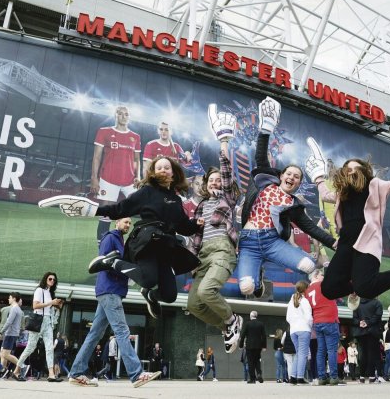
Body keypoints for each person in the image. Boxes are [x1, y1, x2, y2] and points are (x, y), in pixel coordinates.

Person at [40, 157, 201, 319]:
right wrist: (92, 210)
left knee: (170, 295)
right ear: (153, 172)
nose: (163, 170)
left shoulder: (177, 200)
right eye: (159, 168)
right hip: (148, 242)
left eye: (167, 167)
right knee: (148, 280)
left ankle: (151, 296)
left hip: (166, 248)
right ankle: (112, 261)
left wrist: (197, 223)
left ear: (174, 172)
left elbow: (183, 227)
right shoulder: (146, 192)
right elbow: (119, 209)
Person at [305, 138, 390, 309]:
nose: (350, 171)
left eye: (355, 168)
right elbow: (325, 195)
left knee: (367, 289)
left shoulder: (375, 185)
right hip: (346, 243)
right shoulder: (343, 193)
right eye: (347, 169)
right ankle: (353, 288)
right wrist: (318, 177)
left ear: (364, 171)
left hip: (367, 242)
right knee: (329, 289)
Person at [237, 97, 336, 298]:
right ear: (281, 176)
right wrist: (266, 127)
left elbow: (310, 227)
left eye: (296, 177)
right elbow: (261, 155)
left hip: (272, 242)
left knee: (308, 265)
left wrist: (332, 242)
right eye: (289, 174)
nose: (291, 177)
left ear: (298, 184)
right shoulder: (264, 183)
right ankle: (257, 277)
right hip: (248, 242)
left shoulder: (293, 204)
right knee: (246, 288)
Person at [66, 217, 161, 388]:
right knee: (122, 331)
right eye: (125, 222)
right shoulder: (110, 238)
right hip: (110, 291)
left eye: (130, 223)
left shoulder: (120, 241)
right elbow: (102, 263)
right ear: (117, 222)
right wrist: (124, 272)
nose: (128, 225)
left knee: (94, 334)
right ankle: (137, 374)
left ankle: (75, 373)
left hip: (109, 291)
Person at [187, 107, 243, 353]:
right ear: (205, 184)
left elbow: (228, 174)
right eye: (212, 180)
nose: (216, 182)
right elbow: (194, 238)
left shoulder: (228, 199)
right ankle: (227, 326)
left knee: (207, 291)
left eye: (218, 180)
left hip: (221, 251)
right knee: (195, 305)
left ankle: (233, 320)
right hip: (202, 258)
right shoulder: (200, 207)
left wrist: (223, 144)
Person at [91, 106, 141, 242]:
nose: (124, 116)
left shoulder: (135, 137)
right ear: (116, 115)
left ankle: (134, 244)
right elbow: (96, 157)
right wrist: (94, 178)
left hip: (130, 181)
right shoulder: (104, 132)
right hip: (108, 179)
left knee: (141, 208)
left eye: (126, 114)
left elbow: (137, 160)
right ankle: (102, 247)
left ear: (129, 117)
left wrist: (138, 176)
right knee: (106, 214)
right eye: (120, 114)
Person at [13, 272, 64, 382]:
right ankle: (16, 370)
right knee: (30, 347)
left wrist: (57, 305)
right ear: (45, 278)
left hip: (47, 321)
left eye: (54, 280)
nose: (52, 281)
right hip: (38, 320)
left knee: (50, 348)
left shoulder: (50, 293)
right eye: (50, 279)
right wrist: (51, 302)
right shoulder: (39, 290)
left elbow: (48, 307)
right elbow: (35, 305)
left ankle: (51, 374)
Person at [306, 269, 343, 386]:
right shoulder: (323, 285)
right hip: (330, 320)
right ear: (316, 275)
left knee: (321, 351)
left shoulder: (308, 290)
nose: (324, 276)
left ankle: (321, 377)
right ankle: (333, 376)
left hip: (318, 321)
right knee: (332, 350)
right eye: (322, 274)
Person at [286, 280, 312, 385]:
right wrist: (310, 326)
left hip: (293, 330)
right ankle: (300, 378)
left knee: (298, 353)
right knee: (303, 354)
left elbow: (288, 318)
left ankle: (293, 377)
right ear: (305, 289)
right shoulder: (304, 301)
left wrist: (294, 324)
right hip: (304, 329)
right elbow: (308, 317)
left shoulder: (291, 301)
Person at [352, 297, 383, 383]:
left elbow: (354, 318)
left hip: (360, 332)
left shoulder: (357, 303)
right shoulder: (377, 303)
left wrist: (360, 322)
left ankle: (361, 376)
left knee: (362, 354)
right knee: (371, 354)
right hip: (373, 332)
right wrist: (368, 322)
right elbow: (378, 315)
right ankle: (371, 376)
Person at [0, 292, 23, 376]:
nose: (8, 299)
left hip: (10, 333)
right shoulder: (18, 309)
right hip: (13, 333)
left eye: (10, 297)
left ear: (14, 298)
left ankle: (23, 366)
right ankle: (3, 372)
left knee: (5, 354)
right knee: (3, 354)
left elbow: (9, 322)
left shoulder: (14, 309)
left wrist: (1, 332)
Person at [239, 310, 267, 384]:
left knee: (250, 362)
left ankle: (252, 379)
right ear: (256, 316)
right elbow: (264, 336)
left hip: (249, 346)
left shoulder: (248, 324)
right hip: (258, 346)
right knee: (257, 360)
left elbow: (243, 335)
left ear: (250, 316)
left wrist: (241, 345)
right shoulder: (261, 324)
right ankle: (259, 374)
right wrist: (264, 346)